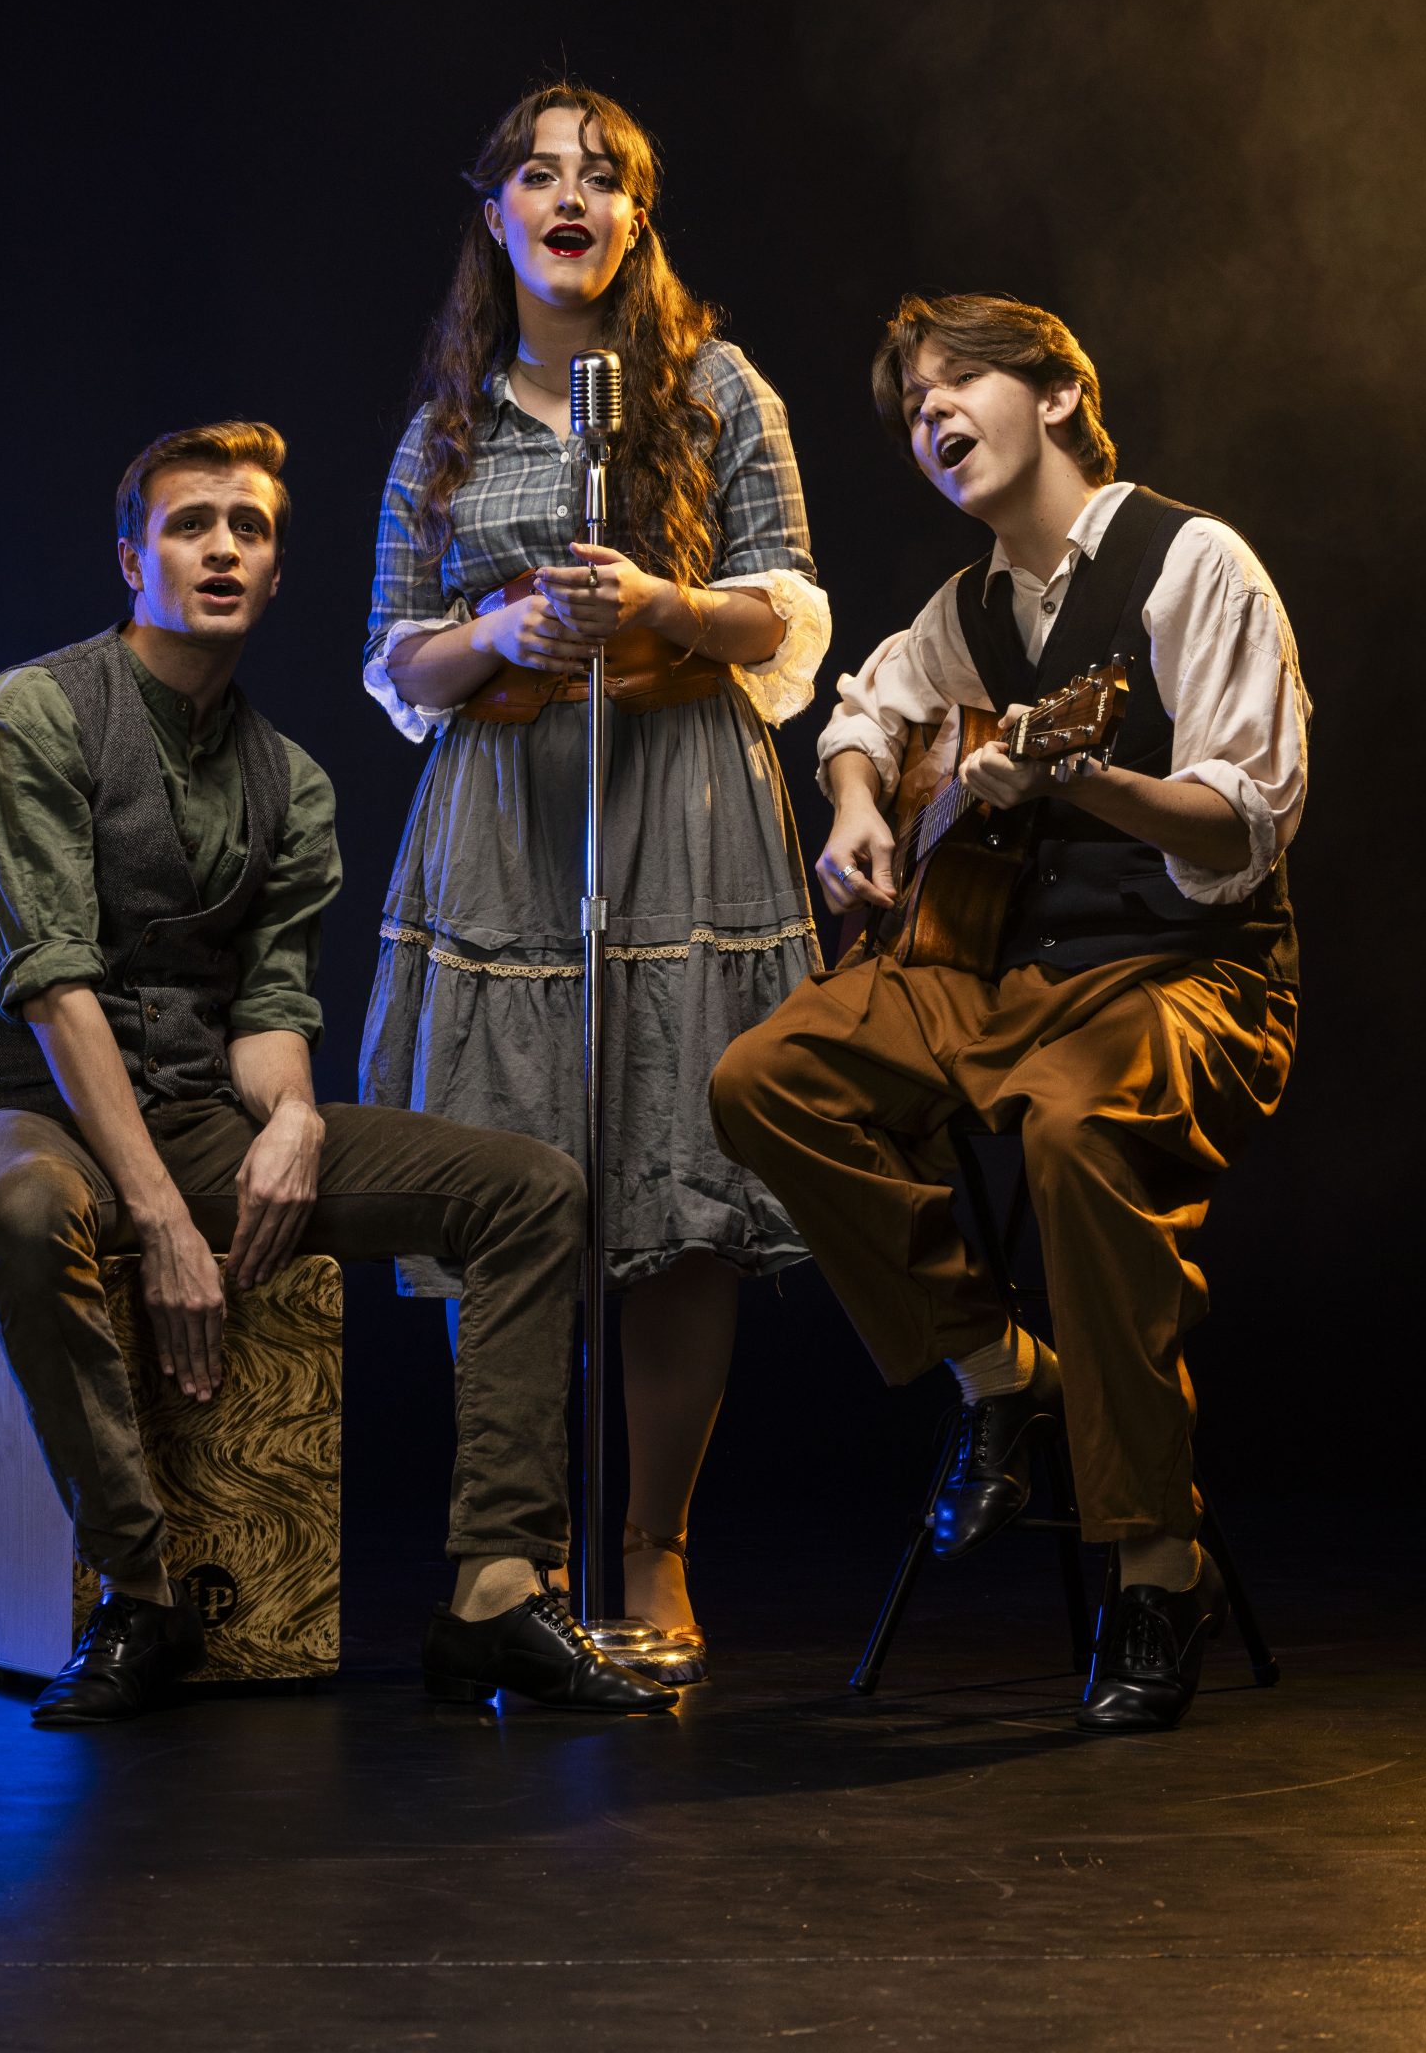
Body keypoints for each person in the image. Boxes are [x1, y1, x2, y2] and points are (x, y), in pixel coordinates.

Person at [0, 418, 675, 1726]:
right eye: (190, 525)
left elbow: (270, 1009)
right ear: (132, 559)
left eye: (250, 529)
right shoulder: (26, 718)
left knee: (531, 1188)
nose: (222, 549)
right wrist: (162, 1218)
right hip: (23, 1111)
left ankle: (495, 1594)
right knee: (36, 1210)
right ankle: (143, 1594)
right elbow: (52, 988)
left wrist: (291, 1123)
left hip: (196, 1116)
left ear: (276, 573)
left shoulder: (293, 784)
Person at [711, 293, 1307, 1733]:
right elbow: (862, 712)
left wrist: (1077, 775)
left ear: (1055, 393)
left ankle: (1154, 1570)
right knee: (763, 1077)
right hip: (1002, 970)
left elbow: (1241, 830)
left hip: (1185, 972)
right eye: (912, 408)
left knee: (1073, 1132)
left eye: (957, 385)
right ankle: (998, 1369)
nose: (930, 419)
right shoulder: (969, 606)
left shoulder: (1193, 563)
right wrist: (858, 805)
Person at [360, 85, 830, 1677]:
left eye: (603, 176)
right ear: (493, 213)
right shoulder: (444, 427)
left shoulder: (712, 389)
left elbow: (789, 611)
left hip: (679, 801)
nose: (571, 196)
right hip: (505, 819)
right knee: (508, 1169)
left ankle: (651, 1548)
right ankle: (520, 1552)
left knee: (674, 1185)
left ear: (634, 219)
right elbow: (396, 659)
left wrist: (662, 608)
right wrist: (501, 629)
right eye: (538, 174)